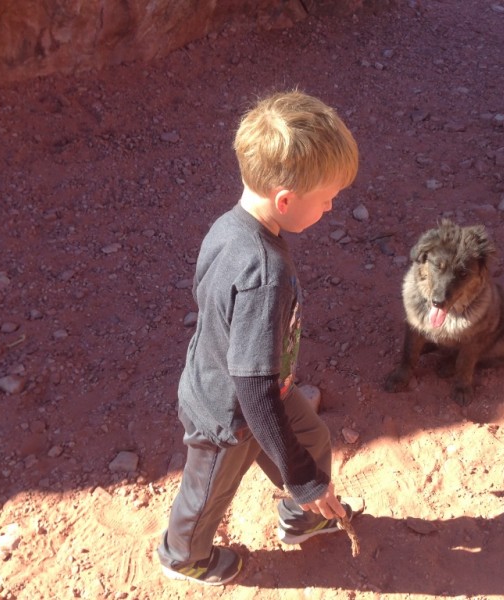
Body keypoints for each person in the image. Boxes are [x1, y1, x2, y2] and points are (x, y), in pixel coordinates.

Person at [157, 90, 360, 586]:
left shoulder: (228, 225)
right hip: (226, 410)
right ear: (285, 200)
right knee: (209, 492)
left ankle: (303, 514)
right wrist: (301, 474)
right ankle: (183, 554)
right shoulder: (264, 273)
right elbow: (251, 391)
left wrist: (300, 466)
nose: (332, 206)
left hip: (263, 386)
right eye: (327, 198)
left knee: (310, 438)